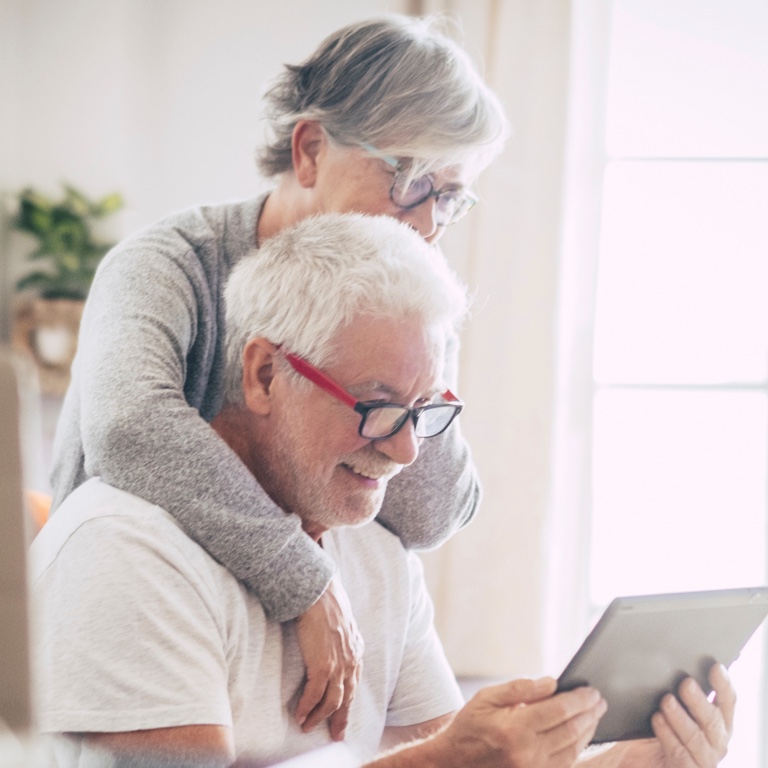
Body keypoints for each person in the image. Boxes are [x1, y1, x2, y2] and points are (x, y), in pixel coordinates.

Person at [33, 214, 735, 768]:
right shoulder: (125, 550)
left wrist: (632, 762)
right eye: (376, 403)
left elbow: (441, 754)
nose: (404, 449)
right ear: (265, 375)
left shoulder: (373, 548)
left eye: (427, 410)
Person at [48, 14, 509, 738]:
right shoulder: (168, 265)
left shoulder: (406, 287)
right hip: (133, 632)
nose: (427, 223)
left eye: (449, 195)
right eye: (410, 180)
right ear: (311, 149)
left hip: (275, 677)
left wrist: (414, 347)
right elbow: (128, 428)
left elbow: (426, 513)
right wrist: (304, 577)